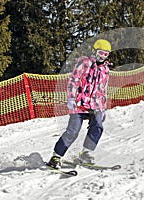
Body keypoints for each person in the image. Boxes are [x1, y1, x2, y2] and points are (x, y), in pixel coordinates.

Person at [47, 39, 112, 169]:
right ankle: (56, 156)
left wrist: (103, 108)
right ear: (94, 51)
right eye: (100, 53)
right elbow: (73, 81)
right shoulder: (85, 63)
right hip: (79, 103)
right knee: (73, 131)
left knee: (98, 126)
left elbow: (102, 90)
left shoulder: (105, 70)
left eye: (106, 54)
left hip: (95, 105)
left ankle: (86, 153)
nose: (102, 57)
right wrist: (71, 98)